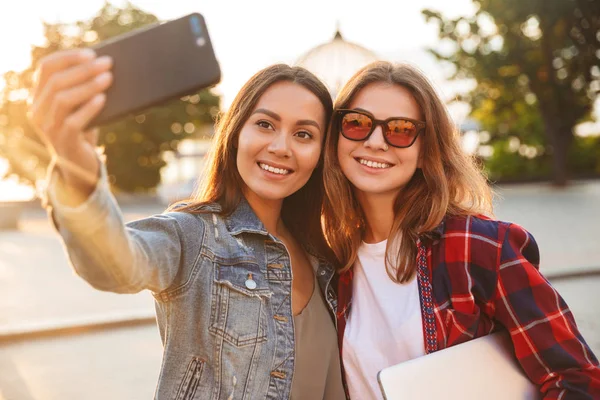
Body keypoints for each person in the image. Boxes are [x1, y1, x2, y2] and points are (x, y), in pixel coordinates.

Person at [28, 49, 346, 400]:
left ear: (320, 154)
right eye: (265, 124)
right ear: (236, 132)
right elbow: (114, 262)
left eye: (304, 134)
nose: (281, 147)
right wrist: (75, 164)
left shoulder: (324, 258)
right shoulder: (192, 235)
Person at [321, 60, 600, 399]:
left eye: (401, 129)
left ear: (426, 151)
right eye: (357, 123)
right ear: (336, 138)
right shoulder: (332, 263)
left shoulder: (481, 247)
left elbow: (577, 379)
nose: (376, 141)